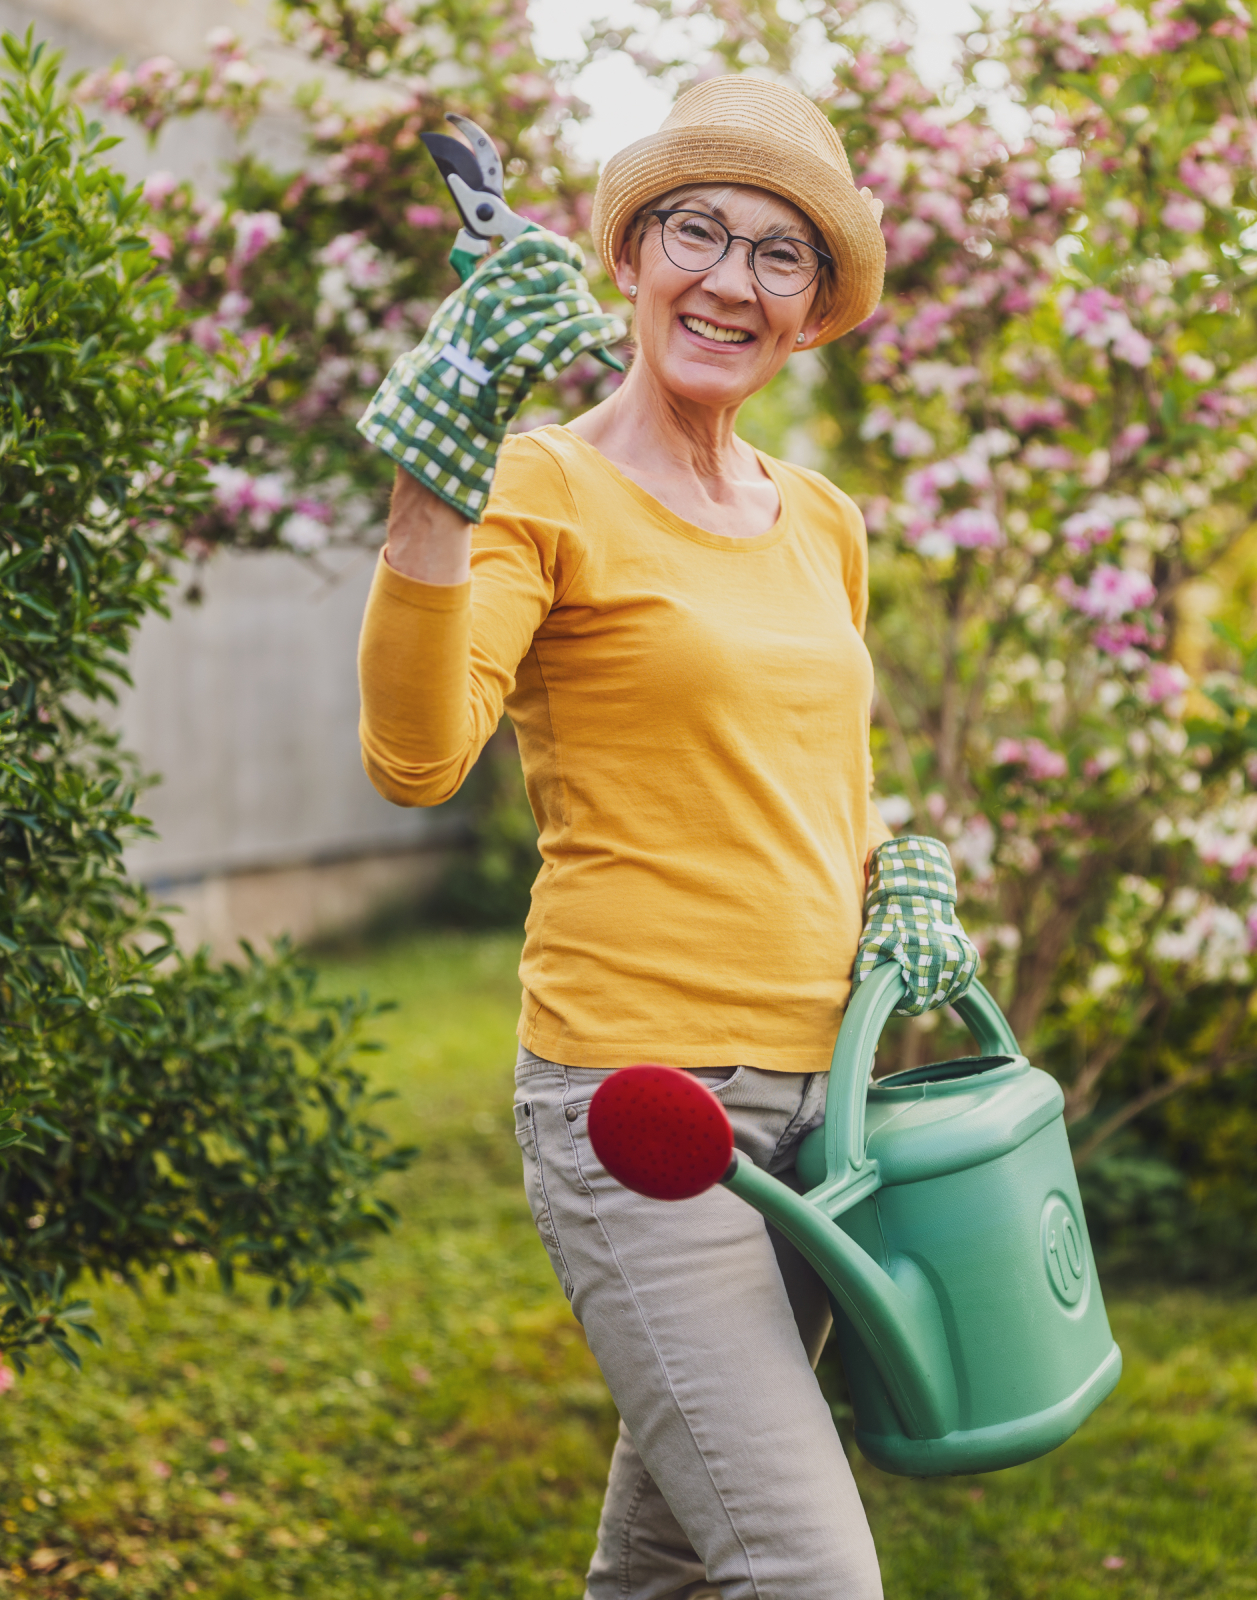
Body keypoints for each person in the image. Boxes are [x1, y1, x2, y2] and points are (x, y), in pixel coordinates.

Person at [352, 76, 980, 1600]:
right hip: (644, 1109)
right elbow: (416, 758)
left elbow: (820, 767)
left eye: (782, 255)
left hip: (825, 1109)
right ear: (630, 257)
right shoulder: (543, 484)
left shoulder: (823, 518)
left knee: (668, 1568)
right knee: (808, 1573)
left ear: (815, 305)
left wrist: (898, 864)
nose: (732, 280)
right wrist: (434, 492)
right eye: (697, 230)